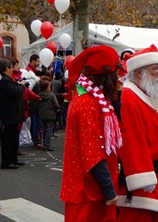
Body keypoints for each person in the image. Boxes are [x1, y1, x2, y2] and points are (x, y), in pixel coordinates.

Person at [60, 46, 122, 222]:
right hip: (88, 192)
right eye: (116, 74)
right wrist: (109, 190)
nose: (118, 78)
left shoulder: (96, 99)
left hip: (93, 191)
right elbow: (92, 153)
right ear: (106, 76)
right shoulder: (87, 103)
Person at [117, 45, 158, 221]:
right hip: (145, 181)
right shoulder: (129, 96)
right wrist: (141, 177)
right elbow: (131, 139)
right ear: (139, 73)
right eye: (155, 69)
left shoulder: (146, 93)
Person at [0, 59, 26, 169]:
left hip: (13, 113)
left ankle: (13, 159)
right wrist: (21, 86)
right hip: (9, 114)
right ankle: (7, 161)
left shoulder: (7, 80)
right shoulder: (4, 81)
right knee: (9, 139)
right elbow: (15, 92)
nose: (12, 69)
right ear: (7, 69)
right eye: (10, 67)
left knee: (14, 138)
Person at [37, 79, 59, 151]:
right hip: (50, 113)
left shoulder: (39, 94)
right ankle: (47, 144)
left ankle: (44, 143)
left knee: (43, 129)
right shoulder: (51, 95)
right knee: (49, 129)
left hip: (42, 113)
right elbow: (56, 104)